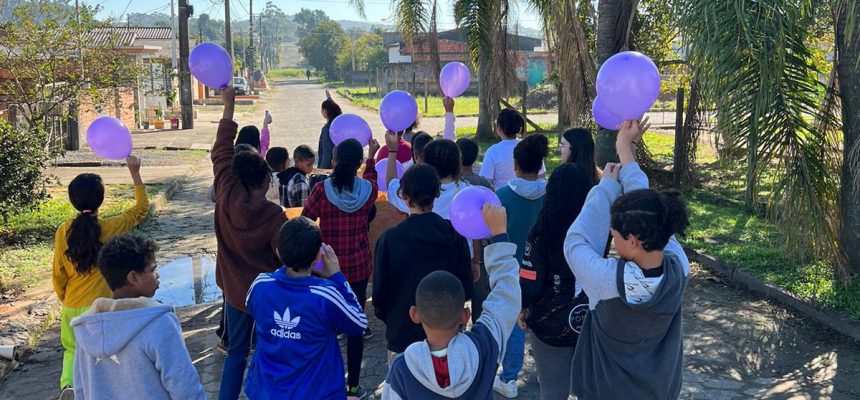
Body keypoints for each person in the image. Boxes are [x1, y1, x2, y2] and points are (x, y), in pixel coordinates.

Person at [565, 117, 691, 399]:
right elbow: (649, 210)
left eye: (615, 231)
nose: (612, 232)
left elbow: (575, 242)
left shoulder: (606, 281)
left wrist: (605, 188)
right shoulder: (678, 267)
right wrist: (626, 151)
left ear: (633, 241)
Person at [382, 204, 521, 399]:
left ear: (414, 314)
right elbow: (507, 294)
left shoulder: (402, 368)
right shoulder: (485, 345)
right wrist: (498, 236)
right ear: (466, 315)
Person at [52, 156, 149, 398]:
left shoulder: (64, 231)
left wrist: (65, 296)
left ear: (73, 200)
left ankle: (69, 385)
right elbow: (139, 210)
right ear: (101, 200)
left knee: (72, 349)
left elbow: (58, 272)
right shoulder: (110, 227)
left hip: (72, 305)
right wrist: (135, 173)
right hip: (103, 306)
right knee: (105, 352)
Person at [214, 87, 288, 400]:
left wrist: (229, 105)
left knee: (236, 354)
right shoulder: (273, 215)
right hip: (268, 296)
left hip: (234, 291)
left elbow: (221, 149)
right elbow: (287, 256)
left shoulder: (225, 190)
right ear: (264, 182)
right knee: (268, 353)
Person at [244, 217, 368, 399]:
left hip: (265, 390)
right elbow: (359, 322)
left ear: (278, 252)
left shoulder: (260, 285)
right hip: (316, 392)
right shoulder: (325, 295)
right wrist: (337, 276)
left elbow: (251, 307)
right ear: (318, 255)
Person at [71, 235, 205, 400]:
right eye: (153, 269)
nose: (158, 275)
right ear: (133, 278)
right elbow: (184, 387)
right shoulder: (160, 322)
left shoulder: (87, 327)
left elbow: (80, 388)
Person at [302, 137, 381, 400]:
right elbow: (371, 180)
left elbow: (304, 223)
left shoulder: (322, 191)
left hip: (326, 270)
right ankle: (354, 387)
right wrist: (372, 157)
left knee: (325, 327)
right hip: (358, 268)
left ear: (333, 161)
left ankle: (324, 383)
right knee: (356, 325)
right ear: (357, 163)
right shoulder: (369, 190)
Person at [373, 164, 474, 363]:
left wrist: (393, 319)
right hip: (446, 335)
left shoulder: (390, 239)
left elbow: (379, 295)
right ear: (437, 193)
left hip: (402, 333)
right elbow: (466, 289)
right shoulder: (456, 236)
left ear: (404, 195)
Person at [519, 164, 594, 400]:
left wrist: (523, 308)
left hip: (549, 324)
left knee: (552, 391)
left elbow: (530, 280)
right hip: (589, 320)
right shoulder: (597, 229)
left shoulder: (541, 232)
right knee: (589, 389)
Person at [493, 134, 549, 398]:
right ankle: (547, 371)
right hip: (545, 267)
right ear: (540, 166)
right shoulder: (551, 195)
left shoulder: (501, 196)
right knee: (542, 316)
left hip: (512, 270)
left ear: (515, 165)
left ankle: (509, 377)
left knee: (515, 323)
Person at [479, 109, 545, 190]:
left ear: (499, 128)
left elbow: (486, 182)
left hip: (502, 200)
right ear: (519, 128)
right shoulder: (529, 146)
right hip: (531, 196)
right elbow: (541, 176)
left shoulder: (492, 151)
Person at [318, 98, 343, 169]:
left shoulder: (327, 129)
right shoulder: (339, 125)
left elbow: (327, 152)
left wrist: (321, 170)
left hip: (329, 168)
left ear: (325, 111)